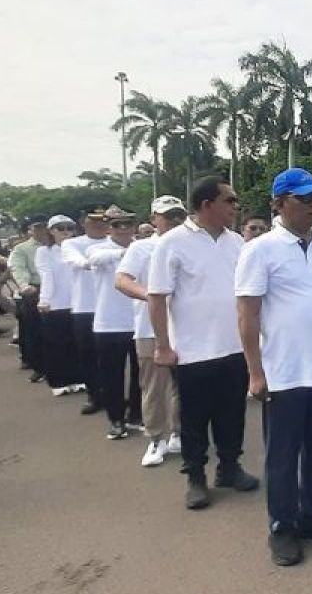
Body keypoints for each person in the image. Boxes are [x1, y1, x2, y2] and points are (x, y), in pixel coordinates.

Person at [237, 168, 312, 567]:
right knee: (282, 456)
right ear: (278, 203)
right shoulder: (260, 250)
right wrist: (255, 371)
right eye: (304, 199)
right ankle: (282, 526)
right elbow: (248, 313)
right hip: (284, 373)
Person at [148, 177, 259, 510]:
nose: (235, 207)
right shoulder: (172, 243)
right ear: (207, 205)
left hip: (234, 346)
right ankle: (195, 477)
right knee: (194, 418)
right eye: (230, 200)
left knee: (232, 413)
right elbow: (156, 298)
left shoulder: (237, 242)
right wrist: (163, 345)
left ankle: (229, 467)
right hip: (192, 352)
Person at [116, 196, 185, 467]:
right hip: (149, 327)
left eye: (177, 215)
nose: (173, 221)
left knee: (184, 386)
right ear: (154, 218)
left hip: (186, 327)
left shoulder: (191, 244)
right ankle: (156, 438)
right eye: (166, 216)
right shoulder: (142, 248)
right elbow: (122, 280)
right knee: (154, 385)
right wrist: (152, 296)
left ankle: (180, 432)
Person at [87, 206, 142, 440]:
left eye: (127, 224)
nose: (123, 229)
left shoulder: (141, 247)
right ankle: (116, 419)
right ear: (109, 227)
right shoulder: (98, 248)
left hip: (138, 321)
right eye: (117, 225)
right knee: (112, 375)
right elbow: (95, 259)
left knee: (141, 375)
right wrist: (128, 254)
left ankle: (136, 415)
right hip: (108, 323)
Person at [61, 209, 109, 414]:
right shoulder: (72, 244)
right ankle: (94, 395)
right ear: (83, 222)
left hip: (111, 308)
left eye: (103, 221)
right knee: (88, 355)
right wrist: (96, 260)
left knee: (111, 358)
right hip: (85, 307)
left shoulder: (118, 242)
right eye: (93, 221)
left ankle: (113, 394)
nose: (98, 225)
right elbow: (78, 262)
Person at [36, 216, 85, 396]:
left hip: (78, 302)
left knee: (77, 343)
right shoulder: (45, 251)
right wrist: (44, 300)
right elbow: (47, 276)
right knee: (57, 344)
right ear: (51, 231)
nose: (65, 232)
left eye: (69, 228)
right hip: (56, 303)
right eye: (60, 228)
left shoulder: (79, 248)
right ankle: (59, 381)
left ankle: (79, 378)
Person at [8, 219, 47, 381]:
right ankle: (38, 366)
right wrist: (24, 285)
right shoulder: (21, 249)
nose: (42, 231)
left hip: (57, 292)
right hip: (33, 290)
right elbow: (17, 268)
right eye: (37, 228)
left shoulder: (60, 246)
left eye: (45, 227)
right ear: (30, 230)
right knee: (34, 331)